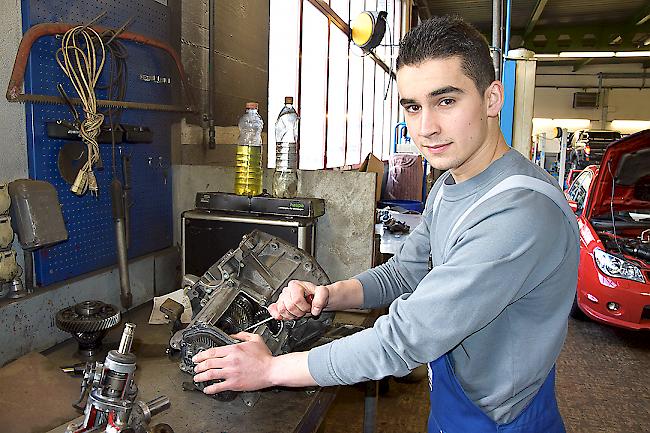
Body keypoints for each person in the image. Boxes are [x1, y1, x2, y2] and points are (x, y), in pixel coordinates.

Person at [193, 15, 579, 432]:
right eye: (413, 106)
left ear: (491, 99)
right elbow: (405, 272)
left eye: (446, 101)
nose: (426, 128)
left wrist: (270, 370)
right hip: (457, 397)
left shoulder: (519, 213)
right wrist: (327, 296)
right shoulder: (450, 184)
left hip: (503, 418)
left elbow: (405, 339)